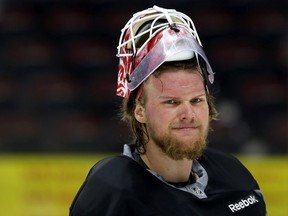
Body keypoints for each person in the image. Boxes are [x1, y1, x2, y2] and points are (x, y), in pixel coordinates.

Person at [70, 5, 267, 216]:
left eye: (196, 100)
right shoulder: (110, 192)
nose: (188, 114)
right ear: (139, 111)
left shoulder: (234, 175)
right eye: (171, 102)